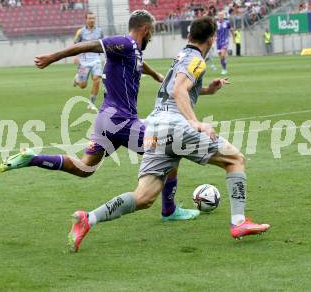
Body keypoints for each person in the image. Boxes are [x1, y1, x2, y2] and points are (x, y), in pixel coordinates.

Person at [67, 16, 270, 252]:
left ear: (189, 36)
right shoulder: (197, 60)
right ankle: (239, 222)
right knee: (235, 160)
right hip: (176, 126)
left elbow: (175, 89)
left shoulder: (181, 56)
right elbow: (178, 90)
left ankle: (87, 218)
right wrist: (196, 123)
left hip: (154, 127)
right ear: (212, 39)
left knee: (143, 197)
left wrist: (208, 90)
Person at [0, 10, 199, 234]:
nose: (152, 35)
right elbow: (89, 45)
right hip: (121, 121)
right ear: (144, 29)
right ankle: (170, 210)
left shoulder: (133, 50)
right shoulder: (123, 43)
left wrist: (155, 76)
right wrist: (53, 57)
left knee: (85, 168)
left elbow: (140, 64)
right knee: (169, 149)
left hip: (106, 121)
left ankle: (32, 159)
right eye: (151, 30)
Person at [73, 12, 104, 110]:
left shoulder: (100, 31)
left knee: (97, 80)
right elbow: (75, 45)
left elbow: (103, 44)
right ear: (86, 20)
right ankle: (77, 79)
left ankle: (91, 103)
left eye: (93, 18)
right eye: (90, 18)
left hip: (96, 60)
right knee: (83, 85)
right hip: (84, 61)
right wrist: (75, 56)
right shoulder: (80, 32)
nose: (92, 20)